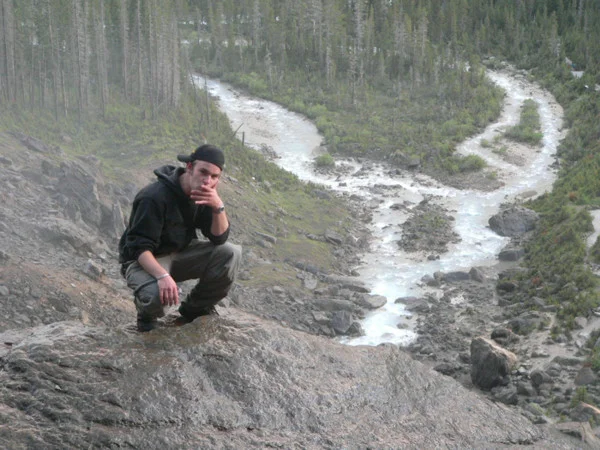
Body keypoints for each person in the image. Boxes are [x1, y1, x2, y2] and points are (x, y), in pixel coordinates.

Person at [118, 144, 242, 331]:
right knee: (156, 293)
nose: (208, 181)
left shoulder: (203, 194)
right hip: (143, 260)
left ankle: (194, 310)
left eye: (215, 177)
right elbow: (139, 248)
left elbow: (219, 239)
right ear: (190, 167)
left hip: (180, 252)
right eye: (203, 172)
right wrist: (163, 276)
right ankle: (147, 318)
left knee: (230, 253)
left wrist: (218, 207)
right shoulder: (153, 197)